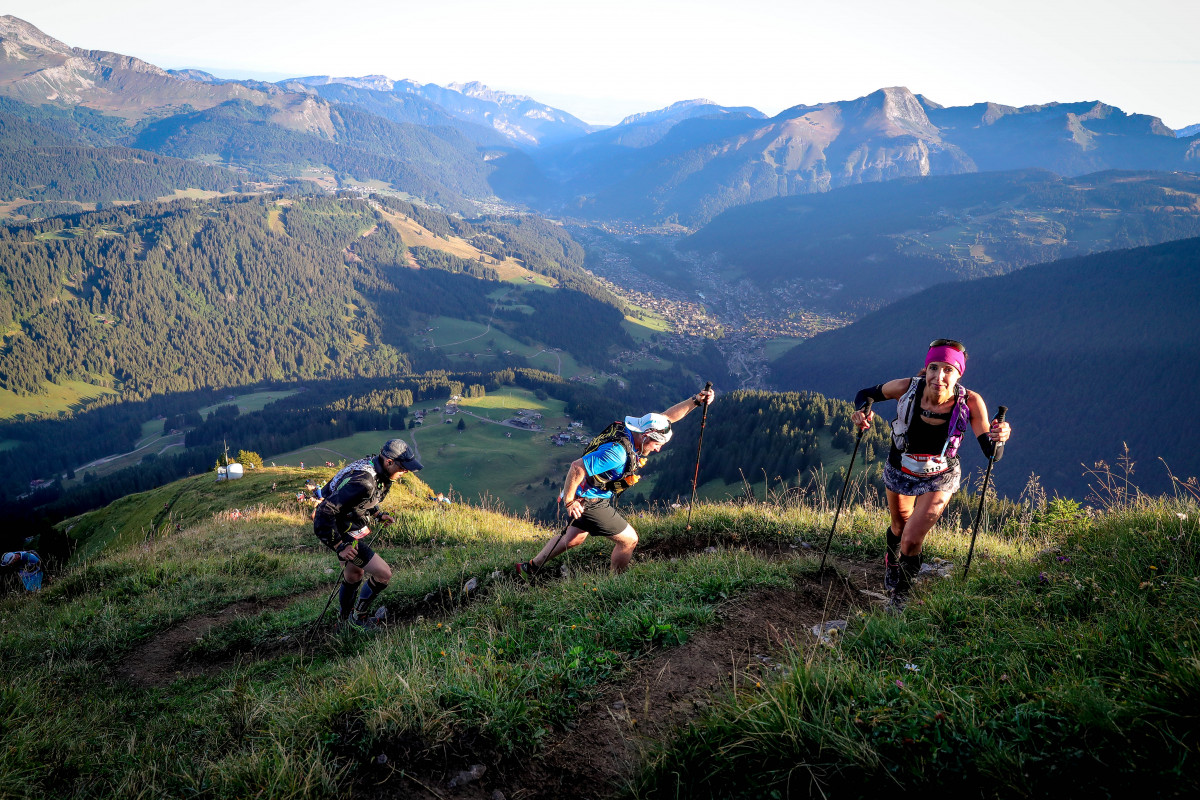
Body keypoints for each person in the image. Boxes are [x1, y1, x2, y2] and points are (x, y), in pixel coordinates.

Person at [852, 339, 1011, 606]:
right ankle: (892, 561)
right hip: (900, 469)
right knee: (899, 525)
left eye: (948, 369)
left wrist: (1001, 437)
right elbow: (866, 394)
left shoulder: (970, 402)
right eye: (934, 367)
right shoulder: (906, 388)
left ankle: (900, 595)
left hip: (940, 476)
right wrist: (862, 412)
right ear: (925, 368)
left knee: (912, 539)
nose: (939, 376)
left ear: (959, 373)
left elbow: (992, 452)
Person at [516, 386, 715, 576]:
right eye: (656, 444)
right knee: (629, 540)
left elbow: (667, 417)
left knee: (572, 539)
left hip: (589, 496)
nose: (658, 449)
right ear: (646, 437)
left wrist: (696, 401)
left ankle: (530, 568)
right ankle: (616, 584)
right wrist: (569, 501)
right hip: (589, 502)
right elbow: (577, 467)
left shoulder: (635, 431)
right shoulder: (617, 453)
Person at [312, 438, 423, 629]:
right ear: (389, 461)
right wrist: (339, 546)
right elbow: (323, 511)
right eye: (403, 467)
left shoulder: (376, 467)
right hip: (342, 531)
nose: (406, 472)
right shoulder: (364, 482)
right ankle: (359, 618)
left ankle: (345, 621)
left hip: (349, 525)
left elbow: (361, 501)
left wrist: (378, 513)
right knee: (383, 574)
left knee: (355, 574)